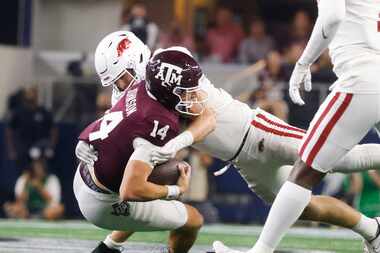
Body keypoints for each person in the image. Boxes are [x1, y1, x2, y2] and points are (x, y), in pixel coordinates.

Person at [76, 32, 380, 252]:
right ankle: (372, 230)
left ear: (138, 61)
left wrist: (176, 143)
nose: (121, 87)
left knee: (340, 160)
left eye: (122, 78)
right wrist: (92, 139)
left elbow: (204, 117)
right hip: (241, 159)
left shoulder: (172, 66)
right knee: (299, 207)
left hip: (257, 133)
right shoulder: (143, 94)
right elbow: (135, 169)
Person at [239, 0, 380, 253]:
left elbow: (333, 16)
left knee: (304, 171)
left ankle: (260, 251)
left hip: (362, 77)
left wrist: (302, 63)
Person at [74, 35, 207, 253]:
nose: (121, 86)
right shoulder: (154, 119)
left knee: (150, 167)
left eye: (123, 79)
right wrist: (174, 190)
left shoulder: (145, 84)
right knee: (193, 219)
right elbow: (131, 189)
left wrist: (86, 135)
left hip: (86, 175)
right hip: (105, 199)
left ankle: (108, 248)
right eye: (117, 82)